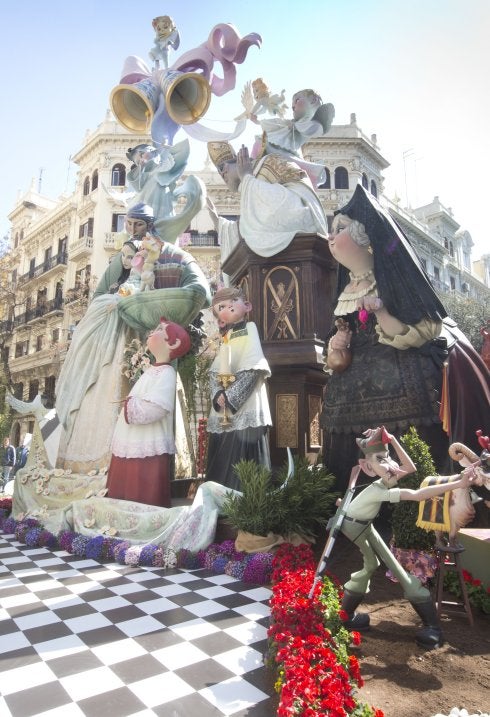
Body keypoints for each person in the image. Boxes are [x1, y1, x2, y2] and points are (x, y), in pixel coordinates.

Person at [320, 184, 490, 494]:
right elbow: (337, 346)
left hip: (401, 376)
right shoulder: (345, 292)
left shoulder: (393, 284)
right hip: (348, 389)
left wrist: (382, 311)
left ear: (366, 239)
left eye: (340, 229)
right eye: (331, 230)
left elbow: (422, 331)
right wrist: (337, 344)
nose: (331, 236)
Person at [55, 202, 210, 472]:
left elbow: (201, 291)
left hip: (157, 344)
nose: (134, 230)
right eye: (129, 224)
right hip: (119, 339)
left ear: (151, 227)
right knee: (106, 385)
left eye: (139, 225)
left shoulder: (173, 254)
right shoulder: (123, 259)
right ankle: (100, 464)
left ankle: (147, 472)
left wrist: (169, 300)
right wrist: (120, 296)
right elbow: (105, 293)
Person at [339, 426, 478, 649]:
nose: (390, 464)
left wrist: (393, 439)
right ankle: (431, 626)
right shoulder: (379, 490)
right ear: (367, 467)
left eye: (388, 458)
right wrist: (460, 483)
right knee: (392, 569)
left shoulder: (384, 480)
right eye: (380, 460)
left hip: (363, 525)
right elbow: (418, 494)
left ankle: (346, 614)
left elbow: (410, 468)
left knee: (373, 564)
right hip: (354, 527)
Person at [106, 319, 191, 508]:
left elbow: (159, 407)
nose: (153, 330)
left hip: (148, 440)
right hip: (133, 436)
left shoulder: (167, 373)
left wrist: (131, 406)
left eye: (161, 330)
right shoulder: (152, 370)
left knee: (143, 492)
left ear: (173, 343)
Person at [207, 141, 328, 261]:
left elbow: (298, 210)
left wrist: (247, 178)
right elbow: (252, 233)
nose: (222, 176)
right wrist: (219, 222)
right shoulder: (248, 187)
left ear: (225, 169)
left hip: (304, 247)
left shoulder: (269, 162)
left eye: (221, 169)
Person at [205, 287, 272, 490]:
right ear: (220, 319)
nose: (230, 306)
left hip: (245, 404)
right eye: (222, 306)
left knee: (244, 459)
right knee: (223, 455)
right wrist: (218, 395)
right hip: (224, 406)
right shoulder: (226, 338)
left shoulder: (249, 329)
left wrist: (231, 397)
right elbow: (214, 373)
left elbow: (254, 367)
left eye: (234, 300)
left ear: (247, 305)